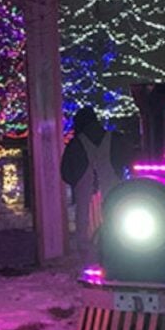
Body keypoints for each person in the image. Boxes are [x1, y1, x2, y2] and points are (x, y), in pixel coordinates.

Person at [60, 107, 129, 257]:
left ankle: (85, 248)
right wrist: (119, 174)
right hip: (111, 183)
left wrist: (75, 181)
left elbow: (66, 170)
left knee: (83, 216)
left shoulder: (76, 143)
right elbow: (126, 159)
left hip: (84, 184)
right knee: (114, 213)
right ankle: (115, 244)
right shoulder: (114, 139)